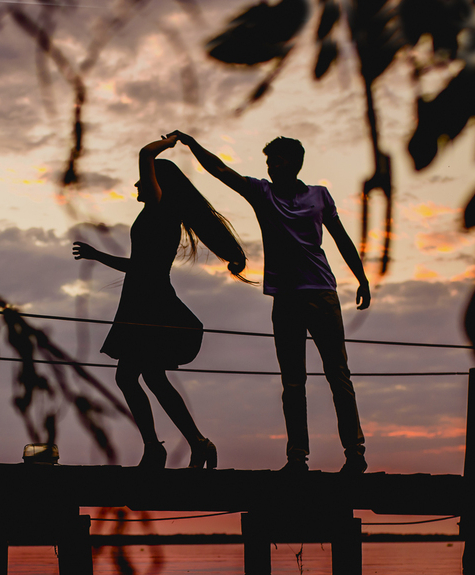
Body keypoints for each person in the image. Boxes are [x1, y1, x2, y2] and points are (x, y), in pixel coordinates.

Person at [169, 131, 370, 473]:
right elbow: (220, 170)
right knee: (293, 382)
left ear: (293, 163)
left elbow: (342, 239)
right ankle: (297, 459)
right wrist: (191, 144)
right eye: (268, 161)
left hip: (322, 293)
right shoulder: (262, 192)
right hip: (286, 298)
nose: (271, 166)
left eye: (276, 160)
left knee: (338, 374)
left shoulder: (321, 196)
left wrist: (362, 277)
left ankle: (355, 453)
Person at [72, 134, 248, 469]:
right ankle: (194, 443)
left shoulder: (158, 207)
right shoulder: (158, 215)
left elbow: (144, 154)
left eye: (145, 178)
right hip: (142, 298)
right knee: (149, 377)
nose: (138, 184)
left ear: (159, 184)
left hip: (150, 302)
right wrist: (97, 255)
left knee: (129, 377)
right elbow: (140, 265)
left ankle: (158, 447)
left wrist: (170, 141)